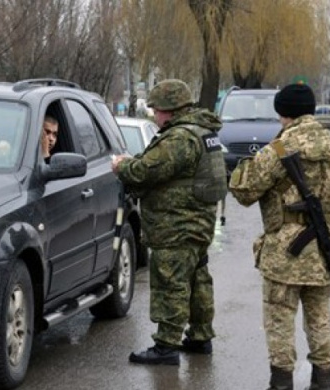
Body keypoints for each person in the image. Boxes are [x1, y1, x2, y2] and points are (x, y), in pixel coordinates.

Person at [228, 83, 330, 390]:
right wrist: (324, 207)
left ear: (282, 112)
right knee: (320, 318)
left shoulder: (281, 147)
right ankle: (322, 382)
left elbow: (243, 191)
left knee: (280, 319)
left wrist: (245, 167)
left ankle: (281, 382)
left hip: (283, 252)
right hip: (322, 249)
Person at [111, 79, 226, 366]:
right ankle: (200, 337)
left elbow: (144, 172)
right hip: (197, 224)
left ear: (171, 109)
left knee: (171, 284)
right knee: (198, 280)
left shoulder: (179, 138)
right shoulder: (203, 132)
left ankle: (166, 346)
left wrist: (121, 166)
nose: (154, 115)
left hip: (177, 226)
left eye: (157, 109)